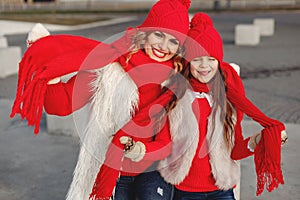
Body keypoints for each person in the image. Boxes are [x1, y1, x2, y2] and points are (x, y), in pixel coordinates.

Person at [10, 0, 191, 199]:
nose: (163, 46)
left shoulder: (178, 82)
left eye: (173, 41)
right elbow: (60, 105)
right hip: (110, 173)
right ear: (145, 32)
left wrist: (142, 150)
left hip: (154, 172)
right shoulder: (109, 67)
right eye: (158, 34)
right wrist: (50, 68)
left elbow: (170, 142)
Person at [156, 12, 288, 200]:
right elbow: (162, 144)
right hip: (185, 191)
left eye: (211, 59)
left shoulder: (226, 98)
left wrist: (258, 141)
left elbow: (235, 150)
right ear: (187, 61)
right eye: (197, 59)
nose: (204, 66)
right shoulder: (175, 96)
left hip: (221, 190)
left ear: (219, 61)